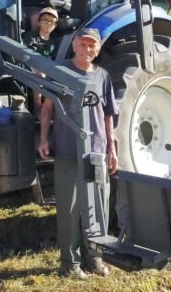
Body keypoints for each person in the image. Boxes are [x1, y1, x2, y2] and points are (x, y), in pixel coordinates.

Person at [38, 27, 119, 279]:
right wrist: (43, 138)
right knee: (69, 209)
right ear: (74, 45)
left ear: (98, 49)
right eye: (83, 44)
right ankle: (69, 263)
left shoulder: (103, 77)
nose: (87, 49)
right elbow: (47, 108)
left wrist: (111, 148)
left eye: (91, 45)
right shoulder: (61, 72)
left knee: (97, 207)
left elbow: (107, 116)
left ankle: (94, 258)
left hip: (95, 153)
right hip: (67, 151)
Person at [23, 7, 60, 114]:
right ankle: (37, 105)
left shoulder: (54, 42)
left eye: (52, 21)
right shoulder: (31, 37)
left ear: (55, 25)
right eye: (45, 20)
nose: (48, 23)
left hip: (47, 67)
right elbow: (23, 52)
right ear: (39, 22)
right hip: (30, 64)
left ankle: (50, 107)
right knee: (40, 75)